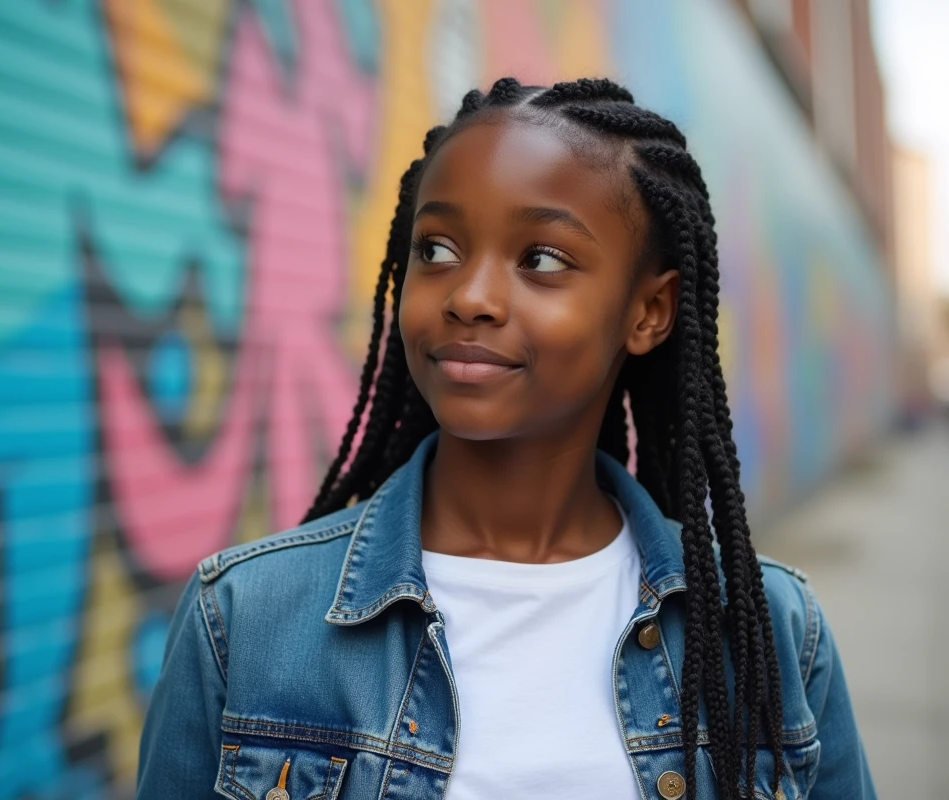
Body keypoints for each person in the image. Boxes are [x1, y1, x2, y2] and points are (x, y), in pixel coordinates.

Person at [137, 77, 876, 800]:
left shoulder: (770, 636)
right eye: (437, 250)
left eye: (541, 260)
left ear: (649, 312)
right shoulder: (245, 618)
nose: (470, 297)